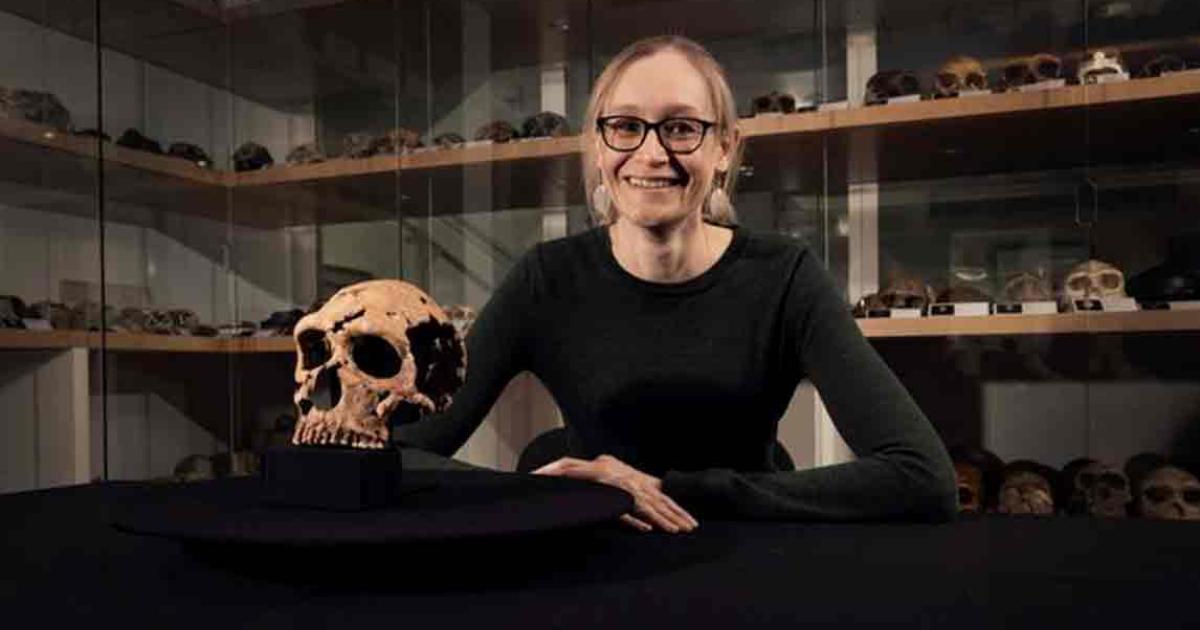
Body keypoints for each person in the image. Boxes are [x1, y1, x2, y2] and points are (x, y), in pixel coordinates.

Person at [397, 35, 957, 533]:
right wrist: (539, 491)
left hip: (748, 547)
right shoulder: (546, 278)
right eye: (625, 126)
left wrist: (678, 491)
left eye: (682, 128)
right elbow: (394, 455)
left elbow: (921, 476)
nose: (651, 153)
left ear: (724, 149)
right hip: (598, 558)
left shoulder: (785, 276)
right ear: (598, 144)